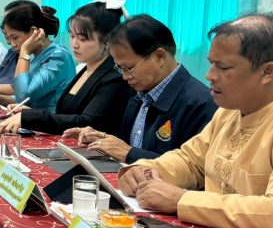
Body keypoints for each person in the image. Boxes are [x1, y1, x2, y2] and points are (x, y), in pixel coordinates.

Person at [119, 14, 273, 228]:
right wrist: (146, 170)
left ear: (267, 72)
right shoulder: (230, 111)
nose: (209, 75)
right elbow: (191, 161)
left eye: (223, 67)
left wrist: (183, 200)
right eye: (211, 63)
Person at [65, 15, 217, 163]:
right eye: (120, 68)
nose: (125, 76)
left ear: (159, 56)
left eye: (129, 68)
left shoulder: (201, 104)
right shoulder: (140, 97)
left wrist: (129, 153)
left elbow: (194, 169)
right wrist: (103, 139)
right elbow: (127, 148)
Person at [0, 1, 131, 135]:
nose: (74, 44)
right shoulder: (86, 69)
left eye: (83, 38)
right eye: (72, 36)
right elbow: (67, 114)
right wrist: (31, 112)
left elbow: (88, 122)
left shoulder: (114, 77)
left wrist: (32, 117)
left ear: (106, 41)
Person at [0, 3, 75, 112]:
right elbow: (20, 94)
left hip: (49, 120)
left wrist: (24, 52)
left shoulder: (58, 56)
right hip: (30, 116)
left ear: (33, 32)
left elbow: (23, 96)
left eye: (15, 37)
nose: (12, 44)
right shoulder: (32, 55)